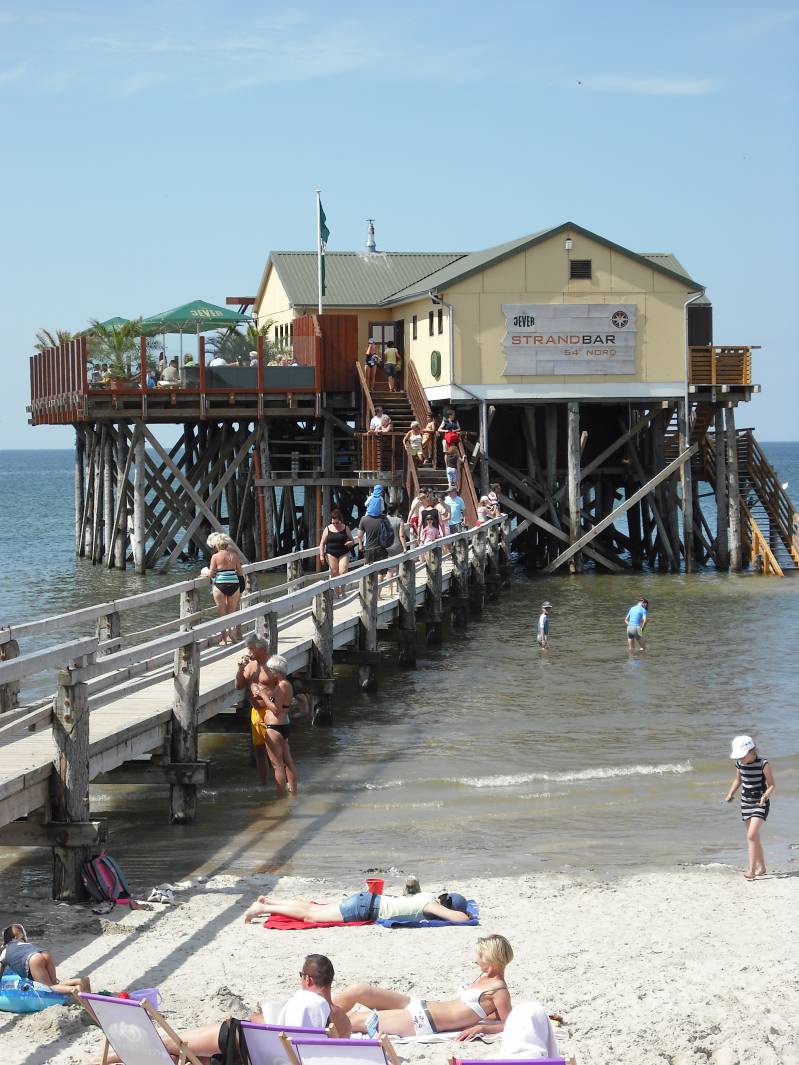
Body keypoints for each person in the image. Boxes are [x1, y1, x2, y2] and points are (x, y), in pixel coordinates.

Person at [100, 955, 351, 1064]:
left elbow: (260, 1024)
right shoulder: (341, 1022)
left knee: (172, 1044)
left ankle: (112, 1056)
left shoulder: (299, 1002)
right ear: (330, 980)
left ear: (307, 980)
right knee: (196, 1057)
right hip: (252, 1057)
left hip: (242, 1041)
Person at [335, 934, 513, 1039]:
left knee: (355, 1020)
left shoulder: (499, 990)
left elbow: (509, 1024)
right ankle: (316, 1011)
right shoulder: (484, 976)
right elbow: (489, 1013)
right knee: (358, 990)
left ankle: (313, 1028)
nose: (475, 959)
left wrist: (481, 1028)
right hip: (419, 1005)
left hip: (422, 1022)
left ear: (491, 958)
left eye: (479, 956)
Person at [236, 643, 297, 796]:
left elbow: (275, 709)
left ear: (277, 671)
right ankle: (293, 793)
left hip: (274, 726)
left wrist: (262, 695)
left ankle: (281, 796)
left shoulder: (282, 686)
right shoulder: (286, 685)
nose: (269, 671)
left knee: (277, 765)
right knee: (288, 761)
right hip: (284, 725)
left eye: (271, 669)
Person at [244, 887, 473, 926]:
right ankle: (262, 909)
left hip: (367, 899)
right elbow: (462, 920)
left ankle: (271, 901)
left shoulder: (425, 895)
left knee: (313, 907)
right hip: (364, 909)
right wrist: (464, 914)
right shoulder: (430, 905)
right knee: (309, 916)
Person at [725, 735, 776, 880]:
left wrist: (765, 795)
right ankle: (762, 867)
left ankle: (751, 871)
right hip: (745, 803)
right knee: (754, 837)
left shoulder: (763, 764)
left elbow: (772, 784)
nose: (740, 759)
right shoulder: (739, 764)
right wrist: (730, 793)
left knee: (751, 835)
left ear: (751, 751)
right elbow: (738, 780)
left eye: (742, 756)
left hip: (760, 802)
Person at [0, 924, 90, 995]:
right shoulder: (24, 944)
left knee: (49, 988)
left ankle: (75, 989)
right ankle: (81, 981)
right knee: (55, 984)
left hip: (34, 959)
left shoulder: (5, 952)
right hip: (44, 953)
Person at [207, 532, 244, 644]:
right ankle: (232, 634)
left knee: (222, 613)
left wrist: (206, 574)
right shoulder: (234, 556)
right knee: (231, 613)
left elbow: (211, 574)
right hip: (234, 584)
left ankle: (224, 639)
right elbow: (240, 573)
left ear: (217, 545)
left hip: (220, 585)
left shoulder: (215, 556)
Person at [319, 508, 354, 598]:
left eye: (337, 523)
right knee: (334, 572)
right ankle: (337, 593)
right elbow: (322, 543)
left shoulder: (345, 528)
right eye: (333, 523)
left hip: (343, 553)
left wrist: (350, 543)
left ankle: (343, 592)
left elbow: (352, 540)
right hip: (331, 553)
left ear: (340, 520)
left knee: (342, 571)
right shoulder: (328, 529)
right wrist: (321, 555)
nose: (335, 525)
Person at [383, 501, 407, 597]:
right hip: (397, 545)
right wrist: (405, 547)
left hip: (387, 546)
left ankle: (389, 590)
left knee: (389, 569)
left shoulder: (383, 520)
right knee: (398, 567)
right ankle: (398, 587)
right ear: (396, 510)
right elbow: (401, 535)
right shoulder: (399, 520)